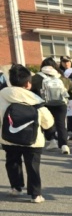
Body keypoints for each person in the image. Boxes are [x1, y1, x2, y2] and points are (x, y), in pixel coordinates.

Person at [2, 64, 55, 203]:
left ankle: (16, 187)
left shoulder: (2, 95)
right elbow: (48, 121)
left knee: (12, 162)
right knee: (32, 166)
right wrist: (50, 132)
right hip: (33, 139)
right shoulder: (35, 99)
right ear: (28, 84)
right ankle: (36, 194)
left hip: (9, 138)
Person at [32, 57, 72, 155]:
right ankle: (64, 145)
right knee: (61, 124)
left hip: (44, 103)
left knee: (46, 122)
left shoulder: (37, 77)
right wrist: (67, 98)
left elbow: (30, 89)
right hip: (61, 104)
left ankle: (52, 141)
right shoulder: (61, 77)